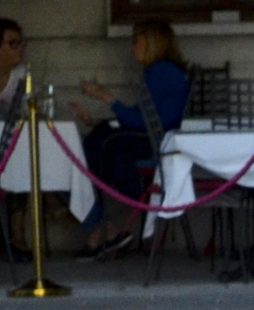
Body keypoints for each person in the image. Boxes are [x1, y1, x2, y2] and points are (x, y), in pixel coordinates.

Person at [71, 18, 192, 256]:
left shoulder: (160, 72)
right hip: (158, 138)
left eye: (136, 41)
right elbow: (140, 117)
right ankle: (94, 217)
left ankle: (93, 215)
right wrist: (97, 122)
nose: (131, 48)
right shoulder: (162, 71)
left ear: (152, 43)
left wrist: (107, 98)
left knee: (88, 151)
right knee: (96, 139)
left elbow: (143, 123)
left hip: (156, 143)